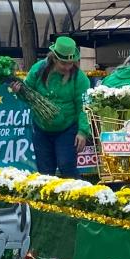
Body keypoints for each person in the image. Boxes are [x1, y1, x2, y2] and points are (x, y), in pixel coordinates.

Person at [17, 37, 90, 177]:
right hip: (41, 128)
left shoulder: (80, 78)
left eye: (71, 63)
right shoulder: (38, 70)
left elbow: (85, 106)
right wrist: (19, 91)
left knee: (66, 165)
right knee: (45, 171)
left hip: (68, 129)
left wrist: (82, 131)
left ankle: (76, 196)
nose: (68, 67)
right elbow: (27, 93)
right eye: (64, 63)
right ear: (54, 58)